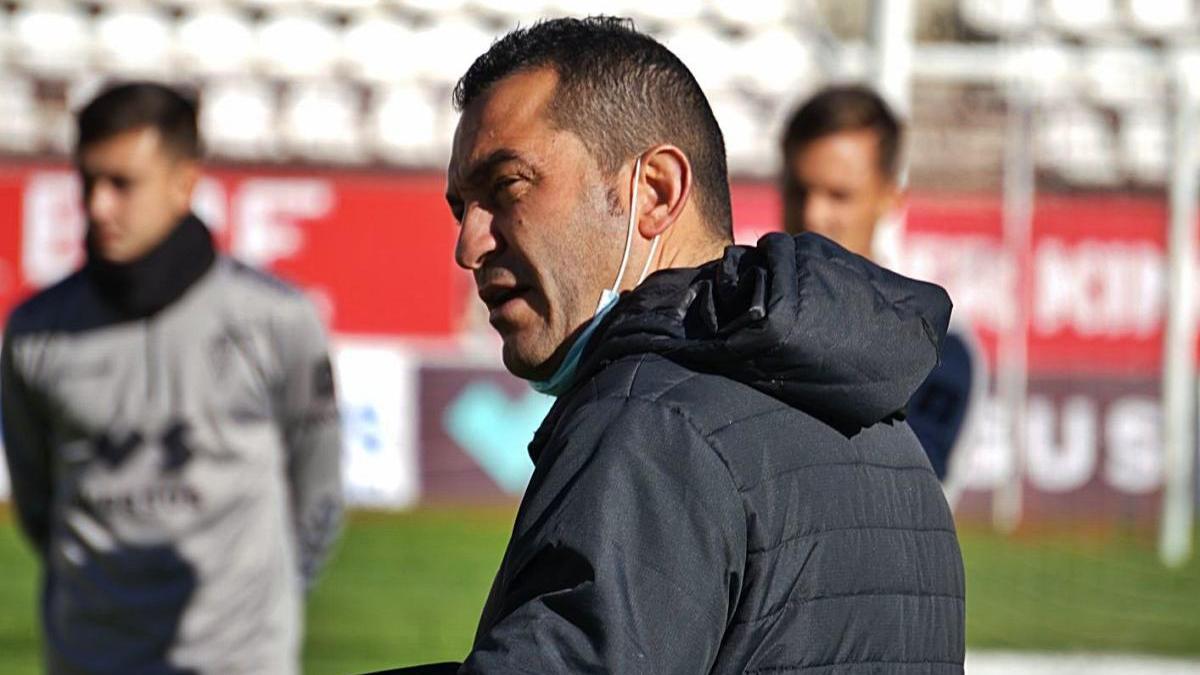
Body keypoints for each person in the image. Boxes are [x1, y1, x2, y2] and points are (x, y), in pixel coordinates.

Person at [429, 17, 963, 673]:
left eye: (507, 185)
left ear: (654, 191)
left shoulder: (650, 422)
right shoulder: (888, 433)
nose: (468, 245)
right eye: (461, 208)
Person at [1, 82, 342, 674]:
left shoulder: (277, 320)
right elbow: (37, 503)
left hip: (239, 660)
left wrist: (266, 607)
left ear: (185, 183)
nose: (98, 206)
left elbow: (317, 489)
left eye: (122, 184)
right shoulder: (34, 333)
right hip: (89, 657)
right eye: (88, 182)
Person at [781, 85, 980, 482]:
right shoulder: (740, 318)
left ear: (891, 198)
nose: (813, 214)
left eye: (839, 196)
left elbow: (907, 483)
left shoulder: (939, 344)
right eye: (799, 190)